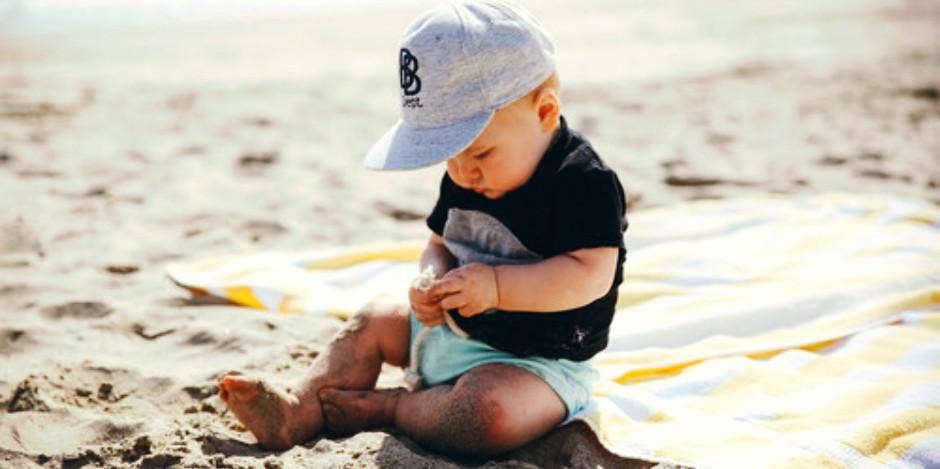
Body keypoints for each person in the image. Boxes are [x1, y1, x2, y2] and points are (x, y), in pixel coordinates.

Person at [217, 0, 627, 457]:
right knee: (375, 318)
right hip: (448, 330)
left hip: (534, 363)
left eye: (479, 153)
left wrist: (496, 286)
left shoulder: (582, 182)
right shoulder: (467, 173)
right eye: (448, 154)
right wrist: (429, 278)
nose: (463, 171)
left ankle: (392, 409)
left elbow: (590, 274)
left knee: (487, 417)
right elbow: (439, 244)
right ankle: (300, 410)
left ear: (545, 112)